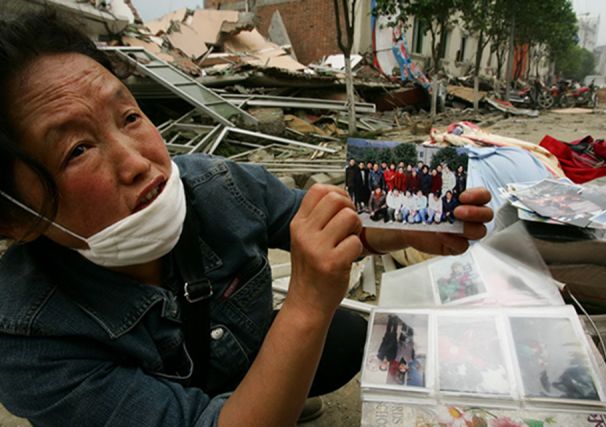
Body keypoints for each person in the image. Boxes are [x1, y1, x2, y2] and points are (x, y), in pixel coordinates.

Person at [0, 12, 493, 427]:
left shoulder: (218, 184)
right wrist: (305, 305)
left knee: (345, 336)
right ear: (15, 219)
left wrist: (397, 224)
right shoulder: (28, 341)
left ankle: (268, 397)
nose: (136, 162)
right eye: (78, 149)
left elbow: (321, 219)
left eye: (129, 117)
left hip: (225, 355)